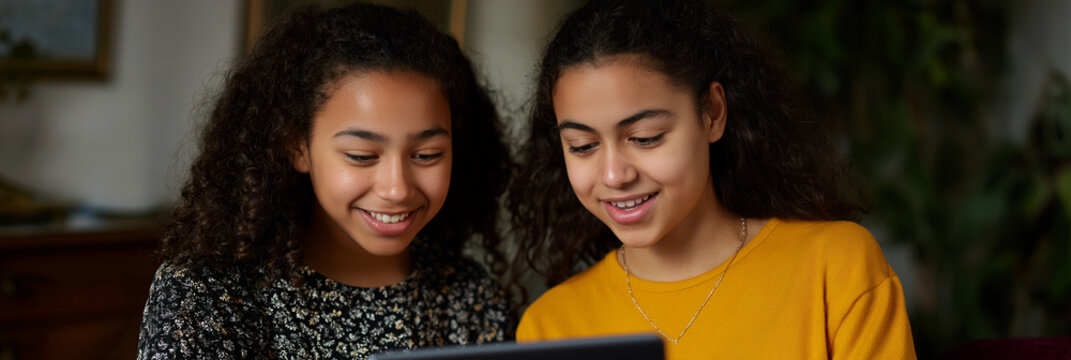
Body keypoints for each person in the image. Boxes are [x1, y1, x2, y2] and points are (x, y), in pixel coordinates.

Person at [509, 0, 916, 359]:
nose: (615, 175)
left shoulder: (835, 268)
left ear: (713, 113)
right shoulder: (550, 329)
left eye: (646, 138)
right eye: (582, 146)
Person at [136, 3, 512, 359]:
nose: (397, 188)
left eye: (427, 155)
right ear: (297, 146)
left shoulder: (470, 298)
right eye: (362, 156)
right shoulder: (207, 295)